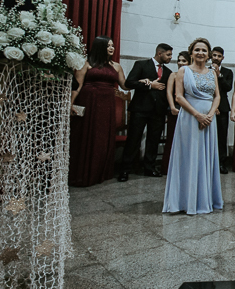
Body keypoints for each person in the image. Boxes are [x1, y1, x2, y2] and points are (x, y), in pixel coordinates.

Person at [163, 38, 222, 214]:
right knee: (188, 157)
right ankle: (184, 200)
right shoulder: (183, 71)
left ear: (209, 54)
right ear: (191, 52)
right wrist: (197, 115)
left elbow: (217, 96)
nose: (200, 53)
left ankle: (205, 198)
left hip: (209, 121)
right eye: (197, 50)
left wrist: (210, 115)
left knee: (205, 157)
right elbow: (179, 96)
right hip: (189, 119)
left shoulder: (212, 73)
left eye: (204, 50)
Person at [70, 37, 127, 187]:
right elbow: (78, 85)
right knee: (87, 135)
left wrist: (143, 82)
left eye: (112, 46)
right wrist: (71, 103)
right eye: (108, 46)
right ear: (99, 47)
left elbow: (125, 85)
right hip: (89, 101)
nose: (111, 48)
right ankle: (83, 173)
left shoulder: (116, 66)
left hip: (107, 103)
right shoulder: (87, 63)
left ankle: (100, 172)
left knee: (103, 136)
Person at [118, 43, 174, 181]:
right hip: (140, 109)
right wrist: (149, 85)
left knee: (153, 141)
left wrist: (166, 110)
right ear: (159, 53)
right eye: (168, 54)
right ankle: (125, 170)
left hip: (158, 111)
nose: (170, 57)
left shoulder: (168, 72)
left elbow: (168, 93)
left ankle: (149, 167)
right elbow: (129, 83)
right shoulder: (141, 64)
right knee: (134, 139)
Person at [161, 50, 190, 175]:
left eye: (184, 61)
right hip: (175, 109)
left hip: (189, 111)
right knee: (172, 138)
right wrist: (172, 107)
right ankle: (169, 167)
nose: (180, 63)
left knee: (187, 140)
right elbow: (168, 92)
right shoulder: (173, 75)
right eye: (179, 60)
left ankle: (185, 168)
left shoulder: (192, 75)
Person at [211, 46, 233, 174]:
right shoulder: (205, 70)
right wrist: (212, 107)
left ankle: (221, 163)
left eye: (219, 56)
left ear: (222, 58)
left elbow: (227, 87)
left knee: (222, 136)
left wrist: (219, 75)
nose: (216, 58)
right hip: (207, 107)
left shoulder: (228, 72)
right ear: (211, 56)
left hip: (223, 107)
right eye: (214, 55)